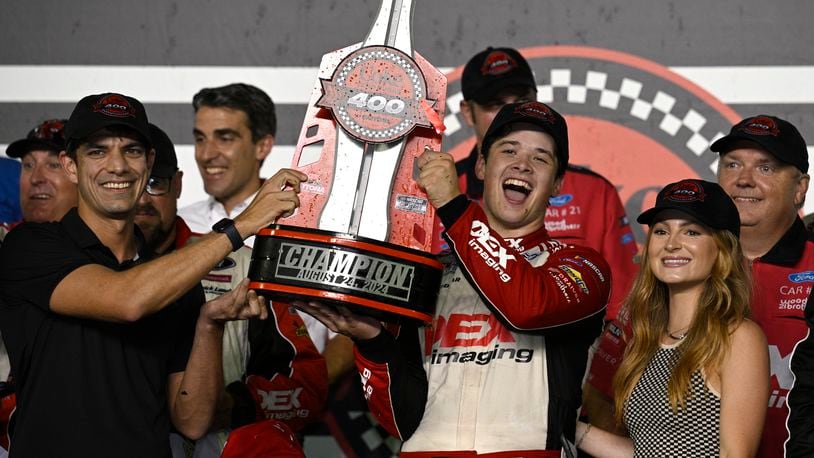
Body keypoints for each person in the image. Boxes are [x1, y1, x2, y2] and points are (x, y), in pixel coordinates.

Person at [0, 92, 308, 456]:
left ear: (148, 163)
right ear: (71, 165)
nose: (117, 166)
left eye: (131, 151)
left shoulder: (173, 279)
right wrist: (241, 225)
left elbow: (191, 420)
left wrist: (210, 323)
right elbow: (126, 300)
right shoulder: (29, 246)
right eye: (97, 151)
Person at [297, 101, 611, 455]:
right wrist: (373, 341)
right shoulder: (426, 274)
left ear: (556, 184)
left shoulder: (581, 266)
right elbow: (400, 421)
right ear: (481, 165)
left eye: (541, 158)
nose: (522, 164)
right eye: (509, 150)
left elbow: (528, 308)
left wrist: (454, 207)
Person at [586, 115, 813, 457]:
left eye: (765, 168)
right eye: (733, 164)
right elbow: (603, 397)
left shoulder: (744, 330)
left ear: (800, 188)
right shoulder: (657, 293)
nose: (745, 180)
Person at [135, 124, 327, 456]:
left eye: (155, 183)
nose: (141, 200)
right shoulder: (89, 273)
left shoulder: (242, 268)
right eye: (130, 185)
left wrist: (232, 404)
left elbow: (306, 388)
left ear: (178, 184)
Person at [574, 179, 769, 457]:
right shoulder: (645, 339)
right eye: (662, 231)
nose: (672, 244)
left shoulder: (736, 337)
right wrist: (569, 428)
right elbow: (646, 452)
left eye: (691, 232)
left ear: (721, 250)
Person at [178, 83, 352, 378]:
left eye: (225, 138)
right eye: (200, 138)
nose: (207, 154)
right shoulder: (180, 223)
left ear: (263, 145)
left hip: (286, 412)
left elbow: (352, 325)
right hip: (189, 410)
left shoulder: (311, 222)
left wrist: (310, 391)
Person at [454, 46, 638, 321]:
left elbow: (624, 306)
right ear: (468, 113)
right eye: (495, 103)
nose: (512, 110)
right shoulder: (437, 192)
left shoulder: (593, 192)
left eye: (522, 98)